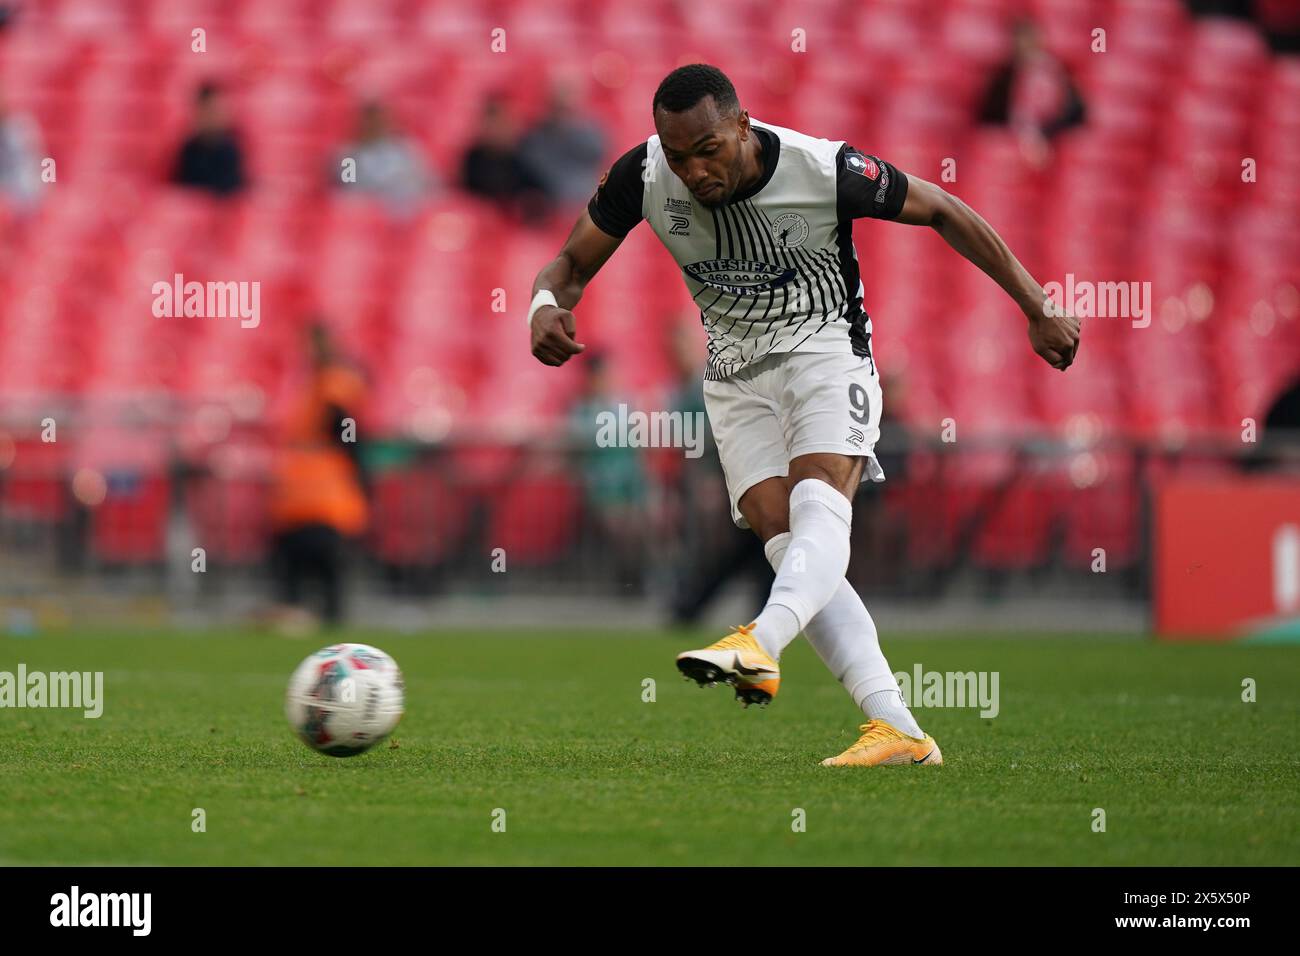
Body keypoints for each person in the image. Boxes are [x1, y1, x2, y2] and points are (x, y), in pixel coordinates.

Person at [527, 64, 1080, 767]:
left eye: (708, 149)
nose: (694, 170)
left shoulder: (825, 170)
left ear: (743, 126)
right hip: (733, 378)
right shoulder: (642, 176)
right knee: (789, 545)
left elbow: (942, 208)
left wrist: (1037, 306)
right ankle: (900, 731)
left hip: (825, 354)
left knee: (819, 503)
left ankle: (760, 641)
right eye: (678, 155)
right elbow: (568, 266)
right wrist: (545, 307)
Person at [267, 324, 370, 631]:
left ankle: (318, 624)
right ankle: (311, 622)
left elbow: (347, 432)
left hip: (322, 493)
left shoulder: (332, 383)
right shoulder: (316, 385)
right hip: (308, 495)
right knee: (309, 573)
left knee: (317, 573)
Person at [978, 19, 1086, 166]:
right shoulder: (1003, 77)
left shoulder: (1056, 73)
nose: (1025, 45)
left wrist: (1045, 134)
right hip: (1012, 145)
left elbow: (1076, 112)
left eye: (1029, 39)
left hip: (1053, 141)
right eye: (1021, 40)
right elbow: (989, 115)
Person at [334, 99, 434, 215]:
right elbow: (349, 191)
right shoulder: (348, 156)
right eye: (370, 120)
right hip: (366, 216)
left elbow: (426, 185)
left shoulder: (407, 151)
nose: (376, 125)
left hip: (403, 213)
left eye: (380, 120)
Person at [518, 79, 607, 208]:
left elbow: (599, 153)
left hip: (584, 202)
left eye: (567, 109)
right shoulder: (537, 138)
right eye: (558, 108)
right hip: (549, 204)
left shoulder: (590, 131)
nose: (562, 116)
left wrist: (573, 131)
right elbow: (533, 169)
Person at [460, 93, 547, 221]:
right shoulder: (473, 158)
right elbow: (465, 196)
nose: (496, 129)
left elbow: (537, 196)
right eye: (491, 123)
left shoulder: (523, 158)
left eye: (502, 123)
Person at [171, 81, 247, 196]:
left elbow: (233, 191)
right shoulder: (189, 149)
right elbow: (182, 189)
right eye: (208, 110)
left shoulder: (232, 149)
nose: (213, 116)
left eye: (216, 110)